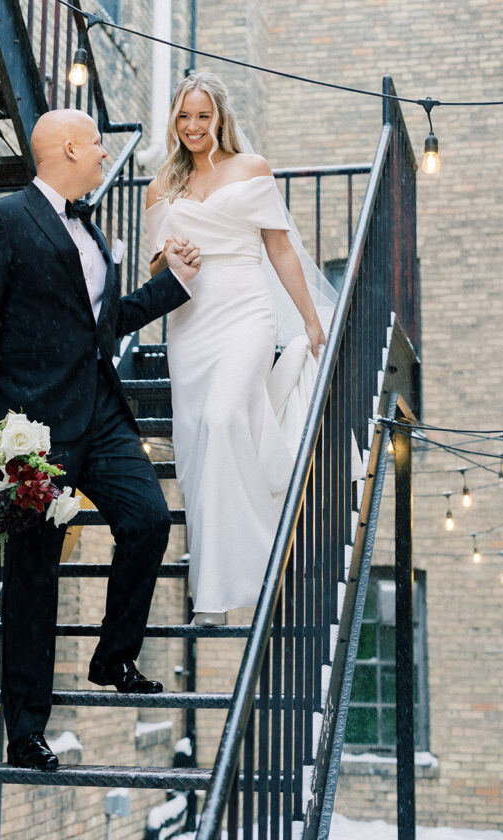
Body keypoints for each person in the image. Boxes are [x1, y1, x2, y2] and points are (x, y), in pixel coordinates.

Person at [0, 108, 200, 770]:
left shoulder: (94, 232)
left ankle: (113, 656)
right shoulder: (0, 220)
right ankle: (26, 730)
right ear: (66, 148)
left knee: (147, 520)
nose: (100, 154)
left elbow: (104, 321)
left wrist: (172, 285)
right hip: (30, 433)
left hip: (101, 412)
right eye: (93, 144)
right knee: (33, 577)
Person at [146, 72, 335, 626]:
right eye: (184, 117)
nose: (194, 127)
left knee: (227, 416)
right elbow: (154, 267)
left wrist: (308, 320)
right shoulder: (162, 186)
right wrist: (171, 253)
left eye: (203, 116)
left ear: (220, 118)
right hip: (190, 319)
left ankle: (259, 559)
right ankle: (215, 583)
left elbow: (279, 249)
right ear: (174, 122)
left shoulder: (250, 170)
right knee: (200, 440)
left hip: (246, 308)